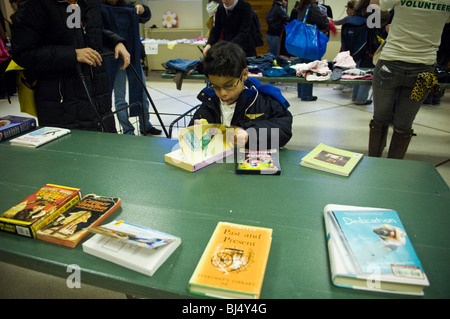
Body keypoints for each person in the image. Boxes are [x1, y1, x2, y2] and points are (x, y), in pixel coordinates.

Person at [11, 0, 131, 132]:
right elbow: (23, 53)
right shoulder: (35, 5)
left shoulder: (87, 3)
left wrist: (115, 41)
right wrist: (72, 54)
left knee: (105, 145)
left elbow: (86, 30)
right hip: (62, 104)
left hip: (98, 97)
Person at [368, 0, 450, 159]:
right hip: (426, 70)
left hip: (389, 65)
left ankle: (375, 163)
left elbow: (373, 16)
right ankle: (395, 164)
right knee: (404, 125)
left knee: (379, 120)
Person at [191, 42, 293, 149]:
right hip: (221, 160)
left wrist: (250, 136)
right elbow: (193, 128)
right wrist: (196, 128)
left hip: (251, 160)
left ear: (244, 75)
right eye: (215, 86)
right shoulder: (209, 101)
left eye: (229, 85)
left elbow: (284, 130)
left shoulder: (262, 100)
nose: (223, 93)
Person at [101, 0, 162, 136]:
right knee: (119, 96)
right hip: (114, 56)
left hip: (132, 53)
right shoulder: (100, 8)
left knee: (141, 90)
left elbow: (146, 14)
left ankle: (145, 124)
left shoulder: (127, 6)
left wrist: (142, 9)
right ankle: (128, 129)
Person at [292, 0, 329, 101]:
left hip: (301, 42)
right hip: (311, 43)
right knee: (310, 67)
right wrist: (326, 18)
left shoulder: (301, 6)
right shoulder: (313, 7)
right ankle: (306, 95)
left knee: (302, 67)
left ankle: (301, 92)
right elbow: (323, 22)